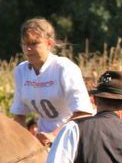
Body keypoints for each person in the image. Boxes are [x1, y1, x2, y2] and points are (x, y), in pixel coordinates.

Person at [10, 18, 94, 146]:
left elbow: (83, 112)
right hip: (44, 141)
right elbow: (19, 116)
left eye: (34, 43)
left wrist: (54, 135)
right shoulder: (21, 71)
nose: (28, 49)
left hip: (75, 139)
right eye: (25, 44)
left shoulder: (64, 68)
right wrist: (23, 143)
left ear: (49, 43)